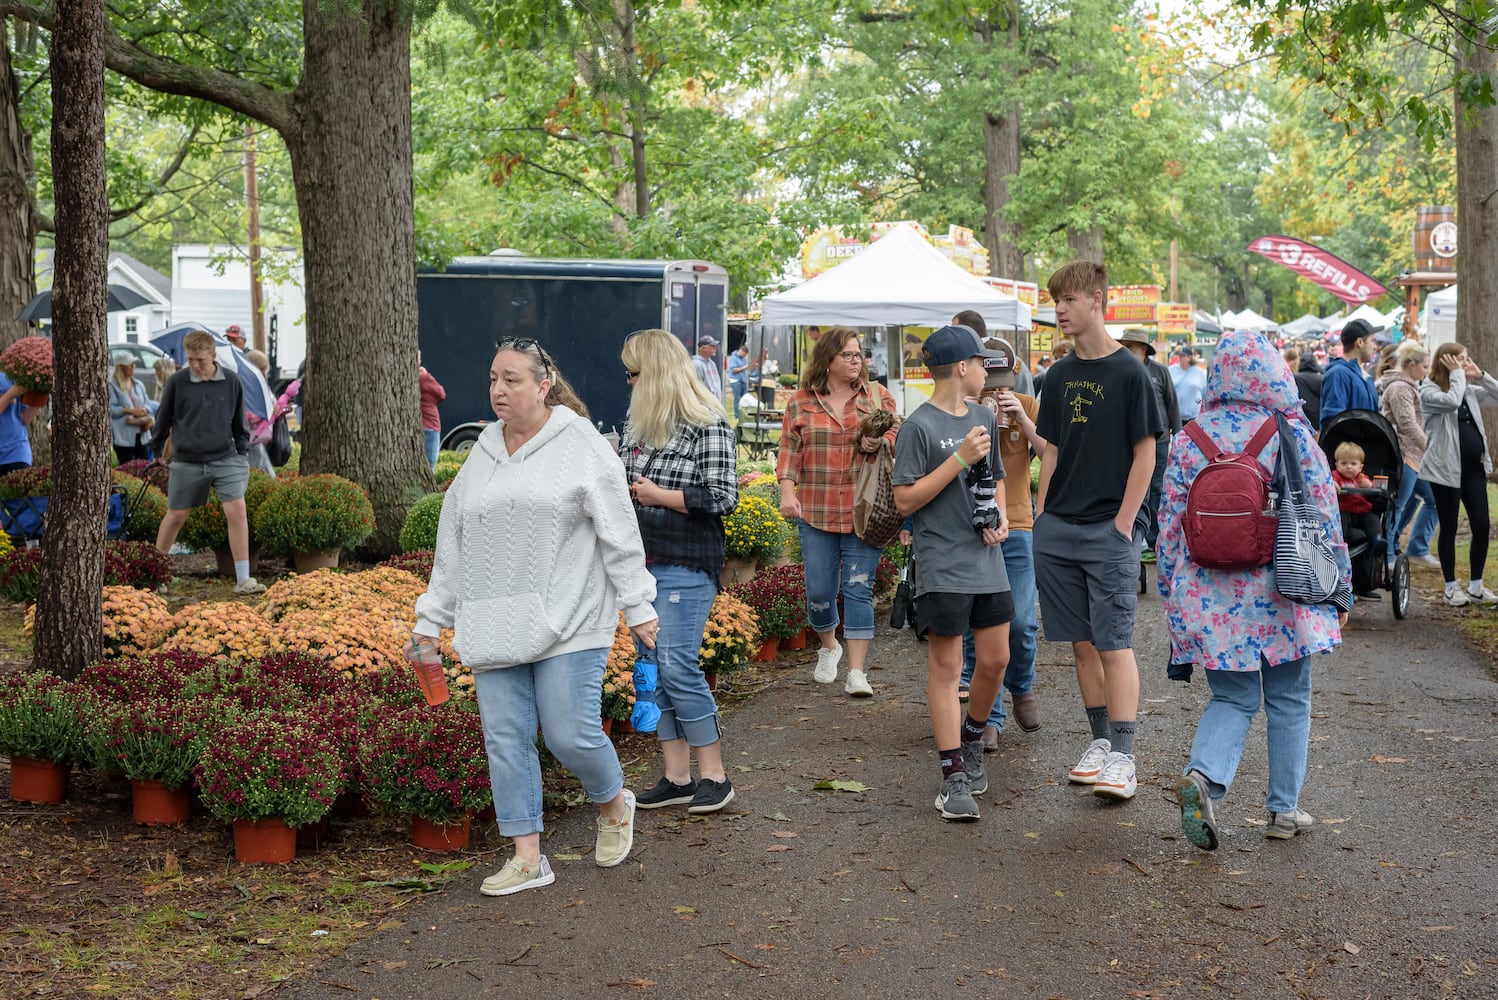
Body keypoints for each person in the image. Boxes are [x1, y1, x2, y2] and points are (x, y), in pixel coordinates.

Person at [411, 337, 658, 896]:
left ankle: (615, 804)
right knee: (505, 738)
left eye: (512, 380)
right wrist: (431, 618)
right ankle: (527, 857)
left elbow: (619, 529)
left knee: (571, 735)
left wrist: (637, 603)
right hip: (494, 619)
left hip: (570, 615)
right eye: (493, 379)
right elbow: (455, 540)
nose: (498, 390)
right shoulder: (482, 449)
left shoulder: (580, 443)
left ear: (543, 385)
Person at [1157, 329, 1351, 851]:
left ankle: (1203, 778)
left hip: (1210, 594)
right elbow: (1324, 513)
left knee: (1233, 696)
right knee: (1289, 696)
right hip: (1282, 588)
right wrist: (1340, 589)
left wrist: (1170, 592)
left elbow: (1169, 523)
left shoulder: (1190, 437)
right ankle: (1283, 811)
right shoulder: (1289, 432)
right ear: (1273, 371)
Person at [1033, 261, 1163, 801]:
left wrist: (1124, 524)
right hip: (1058, 528)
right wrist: (1041, 516)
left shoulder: (1131, 373)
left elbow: (1146, 452)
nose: (1059, 309)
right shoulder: (1058, 375)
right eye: (1055, 300)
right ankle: (1101, 743)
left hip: (1108, 528)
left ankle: (1126, 757)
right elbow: (1055, 450)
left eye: (1067, 299)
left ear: (1096, 300)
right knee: (1081, 644)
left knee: (1115, 643)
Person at [892, 324, 1011, 821]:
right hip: (941, 562)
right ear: (961, 367)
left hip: (987, 560)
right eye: (981, 362)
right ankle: (953, 776)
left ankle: (971, 737)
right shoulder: (918, 426)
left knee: (996, 660)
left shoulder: (984, 414)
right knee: (946, 670)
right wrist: (958, 458)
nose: (986, 370)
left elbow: (997, 479)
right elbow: (905, 499)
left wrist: (1000, 518)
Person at [619, 329, 739, 815]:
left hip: (687, 562)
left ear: (655, 374)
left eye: (634, 373)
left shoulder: (706, 423)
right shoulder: (638, 428)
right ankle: (677, 777)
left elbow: (723, 496)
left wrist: (658, 496)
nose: (627, 382)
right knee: (654, 671)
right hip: (641, 568)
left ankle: (715, 775)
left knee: (676, 664)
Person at [777, 326, 898, 697]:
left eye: (858, 354)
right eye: (847, 354)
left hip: (864, 512)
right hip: (816, 510)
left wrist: (878, 440)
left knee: (859, 589)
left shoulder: (878, 396)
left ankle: (857, 673)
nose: (855, 360)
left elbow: (898, 435)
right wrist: (787, 492)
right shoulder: (801, 402)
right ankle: (829, 645)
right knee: (819, 591)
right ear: (827, 359)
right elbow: (789, 451)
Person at [960, 336, 1045, 749]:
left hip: (1019, 524)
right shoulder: (960, 410)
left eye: (1001, 382)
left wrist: (1023, 422)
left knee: (1024, 622)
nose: (994, 390)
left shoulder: (1027, 405)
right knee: (981, 627)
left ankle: (1022, 687)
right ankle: (989, 717)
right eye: (988, 382)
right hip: (972, 529)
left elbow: (1051, 453)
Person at [151, 330, 266, 595]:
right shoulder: (177, 382)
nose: (194, 365)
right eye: (190, 359)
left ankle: (243, 579)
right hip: (187, 460)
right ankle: (156, 575)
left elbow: (240, 424)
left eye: (200, 360)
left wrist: (242, 454)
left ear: (214, 356)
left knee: (236, 511)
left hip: (226, 458)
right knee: (177, 516)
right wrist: (157, 448)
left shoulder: (232, 382)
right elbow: (163, 418)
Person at [1419, 342, 1498, 607]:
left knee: (1482, 525)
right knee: (1449, 527)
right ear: (1446, 361)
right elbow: (1451, 401)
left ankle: (1476, 585)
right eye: (1460, 359)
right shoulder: (1429, 389)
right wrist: (1457, 376)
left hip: (1473, 470)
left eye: (1467, 358)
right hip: (1444, 471)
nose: (1465, 363)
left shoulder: (1469, 390)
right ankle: (1451, 587)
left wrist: (1481, 376)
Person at [1117, 329, 1181, 560]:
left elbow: (1172, 405)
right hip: (1127, 441)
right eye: (1124, 346)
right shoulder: (1119, 371)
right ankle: (1134, 534)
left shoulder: (1160, 372)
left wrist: (1178, 437)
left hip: (1159, 440)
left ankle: (1154, 540)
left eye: (1131, 347)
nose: (1126, 351)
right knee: (1131, 487)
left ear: (1143, 350)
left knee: (1156, 490)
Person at [1377, 341, 1440, 569]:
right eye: (1424, 366)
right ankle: (1388, 555)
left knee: (1432, 499)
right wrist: (1431, 449)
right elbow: (1408, 425)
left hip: (1415, 456)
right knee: (1398, 505)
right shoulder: (1399, 388)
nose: (1426, 371)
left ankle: (1414, 548)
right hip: (1404, 456)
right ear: (1411, 364)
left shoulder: (1408, 386)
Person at [1332, 441, 1382, 599]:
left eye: (1353, 464)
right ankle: (1341, 539)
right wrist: (1332, 484)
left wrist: (1369, 486)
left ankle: (1378, 540)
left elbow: (1373, 488)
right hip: (1345, 510)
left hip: (1363, 511)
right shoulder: (1336, 476)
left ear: (1360, 467)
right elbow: (1330, 481)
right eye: (1344, 463)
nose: (1349, 467)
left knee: (1373, 521)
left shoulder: (1362, 478)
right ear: (1337, 465)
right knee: (1341, 518)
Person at [953, 310, 1033, 395]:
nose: (952, 339)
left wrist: (1020, 407)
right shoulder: (962, 366)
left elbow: (1028, 398)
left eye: (954, 333)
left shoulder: (1016, 365)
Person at [1320, 320, 1379, 425]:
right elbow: (1334, 422)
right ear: (1360, 342)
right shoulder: (1338, 374)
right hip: (1349, 441)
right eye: (1372, 341)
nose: (1375, 347)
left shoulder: (1365, 377)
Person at [107, 351, 154, 465]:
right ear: (120, 367)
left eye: (134, 363)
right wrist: (130, 410)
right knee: (126, 467)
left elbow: (148, 403)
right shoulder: (112, 386)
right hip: (124, 436)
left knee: (144, 467)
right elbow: (111, 411)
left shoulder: (139, 384)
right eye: (130, 364)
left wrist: (144, 409)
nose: (133, 366)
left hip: (143, 433)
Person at [241, 349, 277, 476]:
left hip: (249, 438)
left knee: (255, 470)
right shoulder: (260, 384)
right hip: (257, 436)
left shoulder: (245, 383)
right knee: (261, 470)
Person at [419, 357, 447, 469]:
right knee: (430, 464)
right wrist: (426, 374)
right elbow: (441, 394)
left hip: (418, 425)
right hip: (430, 425)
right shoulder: (424, 377)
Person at [1170, 346, 1207, 422]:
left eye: (1183, 356)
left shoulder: (1199, 372)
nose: (1180, 358)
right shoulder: (1171, 370)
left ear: (1189, 357)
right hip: (1175, 416)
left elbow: (1205, 393)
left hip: (1194, 417)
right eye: (1179, 355)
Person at [691, 336, 722, 407]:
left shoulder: (712, 363)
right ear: (703, 348)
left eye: (715, 346)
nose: (715, 348)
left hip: (715, 404)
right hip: (705, 405)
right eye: (712, 346)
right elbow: (698, 386)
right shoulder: (696, 364)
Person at [727, 343, 750, 418]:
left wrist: (745, 379)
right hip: (735, 381)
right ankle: (737, 415)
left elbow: (744, 371)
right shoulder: (733, 358)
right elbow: (734, 370)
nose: (744, 356)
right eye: (744, 354)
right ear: (741, 351)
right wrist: (744, 368)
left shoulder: (743, 359)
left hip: (742, 381)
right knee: (737, 398)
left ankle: (744, 414)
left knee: (745, 398)